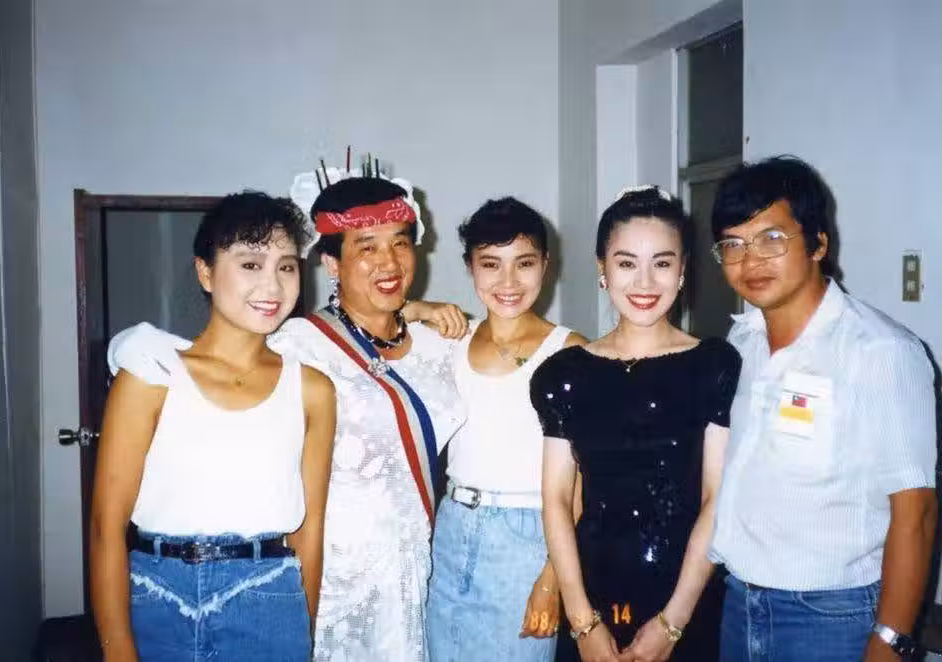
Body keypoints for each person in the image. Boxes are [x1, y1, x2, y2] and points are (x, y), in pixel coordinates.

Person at [107, 166, 466, 662]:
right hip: (317, 575)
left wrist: (412, 311)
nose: (389, 260)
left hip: (408, 568)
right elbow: (225, 352)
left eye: (400, 243)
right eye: (367, 246)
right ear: (331, 263)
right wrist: (133, 347)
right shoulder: (297, 345)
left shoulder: (435, 345)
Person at [708, 156, 938, 662]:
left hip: (831, 617)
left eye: (771, 239)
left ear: (817, 243)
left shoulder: (881, 351)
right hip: (739, 602)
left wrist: (890, 643)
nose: (750, 261)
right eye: (733, 245)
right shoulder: (741, 342)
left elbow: (916, 513)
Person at [90, 191, 336, 661]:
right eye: (250, 265)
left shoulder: (312, 389)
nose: (272, 285)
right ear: (205, 272)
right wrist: (116, 647)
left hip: (268, 598)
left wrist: (300, 629)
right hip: (156, 595)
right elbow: (106, 525)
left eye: (286, 267)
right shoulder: (150, 374)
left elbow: (310, 529)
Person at [530, 186, 742, 662]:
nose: (644, 282)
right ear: (602, 269)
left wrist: (673, 623)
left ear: (683, 270)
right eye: (626, 263)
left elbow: (716, 499)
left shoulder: (714, 365)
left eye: (662, 263)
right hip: (591, 593)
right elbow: (557, 500)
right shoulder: (564, 374)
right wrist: (582, 622)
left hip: (688, 595)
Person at [425, 197, 586, 661]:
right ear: (470, 267)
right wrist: (420, 308)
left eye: (524, 263)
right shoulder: (451, 340)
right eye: (491, 264)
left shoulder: (570, 352)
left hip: (529, 537)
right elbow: (380, 328)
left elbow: (583, 483)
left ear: (546, 265)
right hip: (451, 530)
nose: (509, 282)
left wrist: (553, 578)